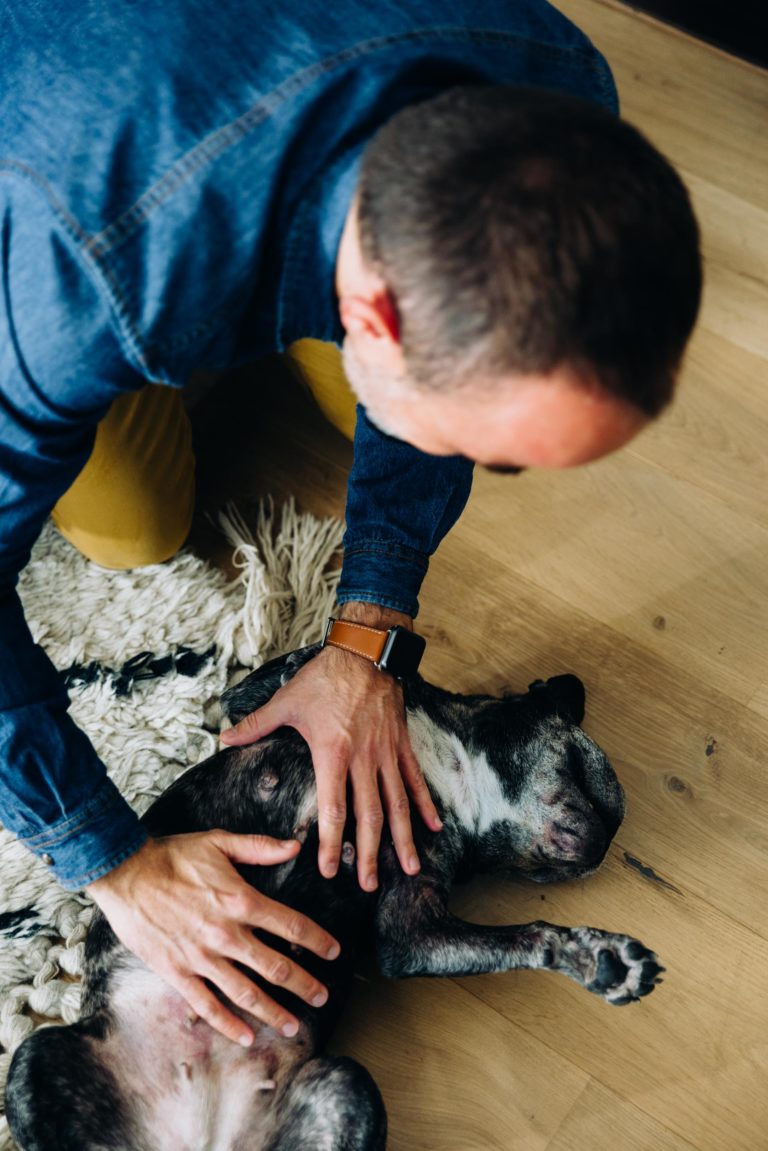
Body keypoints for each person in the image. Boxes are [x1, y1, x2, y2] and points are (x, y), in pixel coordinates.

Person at [0, 0, 701, 1048]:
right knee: (134, 526)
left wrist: (365, 637)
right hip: (83, 167)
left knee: (389, 412)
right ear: (373, 314)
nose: (495, 470)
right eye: (496, 448)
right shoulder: (81, 281)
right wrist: (115, 857)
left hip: (253, 159)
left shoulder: (556, 91)